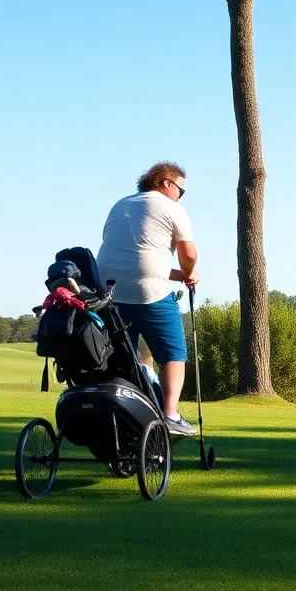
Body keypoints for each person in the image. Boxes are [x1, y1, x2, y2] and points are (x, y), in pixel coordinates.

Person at [97, 161, 199, 435]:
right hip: (150, 291)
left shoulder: (120, 205)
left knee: (121, 357)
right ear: (166, 183)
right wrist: (189, 273)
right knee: (173, 354)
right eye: (180, 189)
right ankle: (170, 414)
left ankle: (122, 417)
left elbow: (137, 255)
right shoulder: (172, 208)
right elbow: (188, 256)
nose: (180, 195)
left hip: (110, 293)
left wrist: (178, 276)